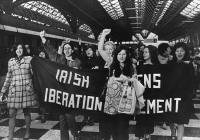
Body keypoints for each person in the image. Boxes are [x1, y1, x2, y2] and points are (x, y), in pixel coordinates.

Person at [39, 31, 81, 140]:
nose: (67, 50)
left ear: (72, 50)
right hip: (60, 93)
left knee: (69, 115)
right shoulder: (59, 59)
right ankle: (66, 137)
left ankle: (75, 133)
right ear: (63, 50)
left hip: (72, 93)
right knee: (62, 117)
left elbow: (82, 77)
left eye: (69, 48)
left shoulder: (77, 62)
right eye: (65, 48)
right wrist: (43, 38)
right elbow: (50, 51)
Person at [98, 29, 136, 140]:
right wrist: (104, 35)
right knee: (113, 126)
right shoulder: (111, 62)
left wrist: (127, 80)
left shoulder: (132, 66)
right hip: (112, 101)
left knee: (123, 126)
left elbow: (135, 81)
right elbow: (100, 49)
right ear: (116, 55)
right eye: (119, 54)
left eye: (124, 54)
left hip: (125, 100)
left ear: (127, 55)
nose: (121, 56)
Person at [0, 43, 38, 140]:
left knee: (26, 112)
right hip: (14, 91)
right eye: (16, 48)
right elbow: (8, 77)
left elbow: (34, 74)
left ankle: (27, 133)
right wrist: (3, 91)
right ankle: (11, 136)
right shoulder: (11, 61)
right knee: (11, 113)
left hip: (26, 90)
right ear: (14, 50)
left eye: (20, 48)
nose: (19, 50)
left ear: (23, 50)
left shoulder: (29, 59)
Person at [171, 42, 194, 140]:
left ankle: (179, 138)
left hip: (183, 97)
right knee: (171, 119)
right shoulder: (171, 64)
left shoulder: (189, 65)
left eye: (182, 51)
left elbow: (192, 81)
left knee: (181, 121)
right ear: (174, 52)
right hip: (171, 96)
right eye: (177, 51)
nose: (179, 53)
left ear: (185, 52)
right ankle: (173, 135)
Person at [135, 45, 158, 140]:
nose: (144, 54)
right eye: (143, 52)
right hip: (141, 95)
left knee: (150, 116)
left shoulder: (157, 66)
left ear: (152, 53)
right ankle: (140, 136)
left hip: (152, 96)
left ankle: (148, 136)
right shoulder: (139, 65)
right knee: (140, 117)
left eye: (146, 52)